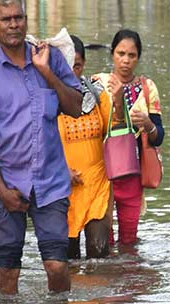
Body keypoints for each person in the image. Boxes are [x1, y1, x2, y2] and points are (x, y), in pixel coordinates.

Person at [0, 0, 86, 295]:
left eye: (18, 17)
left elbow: (76, 108)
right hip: (5, 186)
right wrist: (2, 191)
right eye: (6, 19)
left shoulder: (50, 58)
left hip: (51, 183)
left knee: (57, 266)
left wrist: (48, 74)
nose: (14, 24)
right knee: (8, 273)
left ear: (27, 21)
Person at [92, 30, 163, 249]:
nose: (125, 60)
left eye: (131, 55)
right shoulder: (97, 85)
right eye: (121, 53)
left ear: (138, 57)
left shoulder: (148, 88)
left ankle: (130, 279)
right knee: (102, 240)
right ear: (112, 54)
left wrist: (148, 125)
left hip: (133, 172)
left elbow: (158, 137)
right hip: (103, 172)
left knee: (129, 241)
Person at [58, 38, 112, 260]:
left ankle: (97, 296)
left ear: (84, 64)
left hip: (97, 185)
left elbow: (116, 133)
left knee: (98, 256)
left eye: (77, 65)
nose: (71, 71)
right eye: (66, 65)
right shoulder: (45, 99)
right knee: (67, 262)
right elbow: (36, 145)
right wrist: (61, 171)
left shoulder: (99, 95)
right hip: (62, 189)